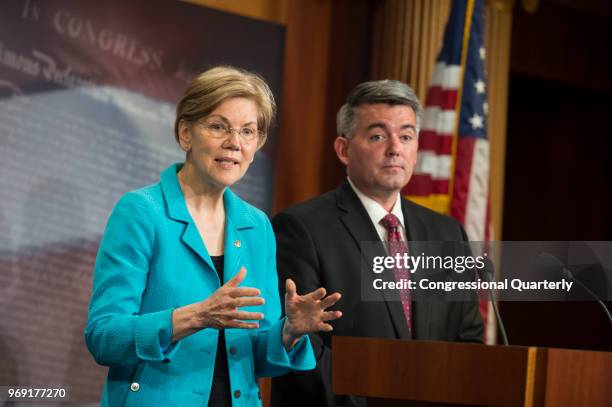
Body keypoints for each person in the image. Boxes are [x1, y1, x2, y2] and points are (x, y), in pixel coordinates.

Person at [85, 66, 342, 407]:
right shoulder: (142, 211)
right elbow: (103, 336)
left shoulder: (257, 225)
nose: (234, 143)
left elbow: (256, 356)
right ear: (186, 134)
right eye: (219, 126)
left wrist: (289, 331)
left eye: (247, 131)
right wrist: (197, 316)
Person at [270, 80, 484, 406]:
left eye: (407, 136)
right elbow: (304, 346)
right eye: (378, 136)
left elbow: (467, 342)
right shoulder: (302, 228)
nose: (395, 148)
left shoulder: (447, 234)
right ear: (344, 150)